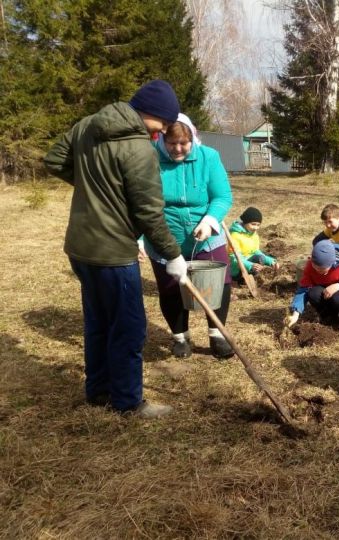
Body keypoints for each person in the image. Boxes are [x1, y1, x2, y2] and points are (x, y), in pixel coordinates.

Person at [43, 79, 186, 419]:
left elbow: (54, 159)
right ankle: (127, 402)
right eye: (162, 124)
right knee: (128, 328)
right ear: (149, 113)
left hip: (80, 247)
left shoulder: (87, 125)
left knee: (98, 321)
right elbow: (150, 214)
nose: (162, 132)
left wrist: (95, 187)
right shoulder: (139, 150)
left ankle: (98, 391)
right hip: (113, 253)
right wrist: (174, 255)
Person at [141, 113, 234, 360]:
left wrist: (210, 219)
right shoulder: (150, 157)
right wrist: (140, 237)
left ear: (193, 137)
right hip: (163, 237)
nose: (178, 149)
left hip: (205, 237)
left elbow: (222, 196)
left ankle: (217, 334)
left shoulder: (209, 158)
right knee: (170, 288)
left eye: (184, 143)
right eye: (172, 144)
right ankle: (181, 338)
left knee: (218, 284)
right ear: (162, 138)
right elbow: (139, 200)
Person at [286, 240, 339, 332]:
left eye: (322, 268)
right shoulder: (310, 265)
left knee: (338, 298)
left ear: (332, 262)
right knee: (313, 293)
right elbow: (303, 288)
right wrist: (295, 314)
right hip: (325, 293)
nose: (318, 271)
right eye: (315, 266)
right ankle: (329, 318)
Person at [227, 206, 280, 284]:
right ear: (245, 222)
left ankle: (252, 278)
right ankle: (242, 280)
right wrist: (250, 265)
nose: (256, 228)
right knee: (257, 259)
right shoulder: (234, 236)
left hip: (249, 264)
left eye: (258, 225)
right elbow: (234, 258)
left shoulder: (253, 235)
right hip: (236, 269)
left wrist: (271, 261)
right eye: (253, 224)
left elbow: (256, 251)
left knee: (260, 257)